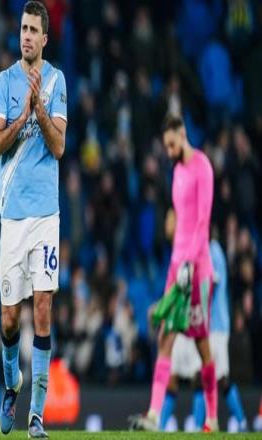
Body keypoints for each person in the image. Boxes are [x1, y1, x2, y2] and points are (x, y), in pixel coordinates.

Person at [0, 1, 67, 437]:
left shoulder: (57, 81)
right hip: (13, 217)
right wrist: (23, 115)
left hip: (45, 215)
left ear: (45, 38)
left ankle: (36, 414)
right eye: (23, 28)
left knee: (42, 308)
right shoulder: (4, 81)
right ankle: (12, 384)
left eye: (34, 30)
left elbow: (59, 147)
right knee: (8, 319)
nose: (27, 36)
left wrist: (40, 109)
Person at [129, 114, 217, 432]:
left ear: (183, 135)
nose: (168, 151)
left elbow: (202, 222)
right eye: (165, 146)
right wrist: (177, 266)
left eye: (171, 144)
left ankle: (212, 417)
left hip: (197, 270)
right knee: (165, 337)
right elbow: (180, 223)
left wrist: (190, 264)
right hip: (176, 269)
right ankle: (153, 415)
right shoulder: (177, 171)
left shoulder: (202, 167)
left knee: (201, 343)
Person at [159, 218, 247, 432]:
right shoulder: (196, 251)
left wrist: (189, 306)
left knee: (218, 377)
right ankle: (162, 425)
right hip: (198, 322)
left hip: (214, 326)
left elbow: (211, 286)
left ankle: (239, 423)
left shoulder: (213, 251)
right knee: (183, 374)